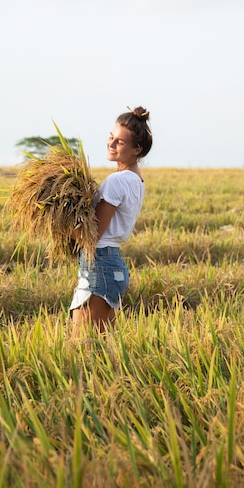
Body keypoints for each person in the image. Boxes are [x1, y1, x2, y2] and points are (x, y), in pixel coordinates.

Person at [70, 106, 153, 335]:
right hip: (111, 264)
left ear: (137, 149)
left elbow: (93, 233)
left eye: (120, 142)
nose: (112, 144)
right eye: (111, 137)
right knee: (101, 349)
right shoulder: (136, 180)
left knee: (82, 345)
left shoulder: (117, 181)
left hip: (100, 264)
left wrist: (60, 226)